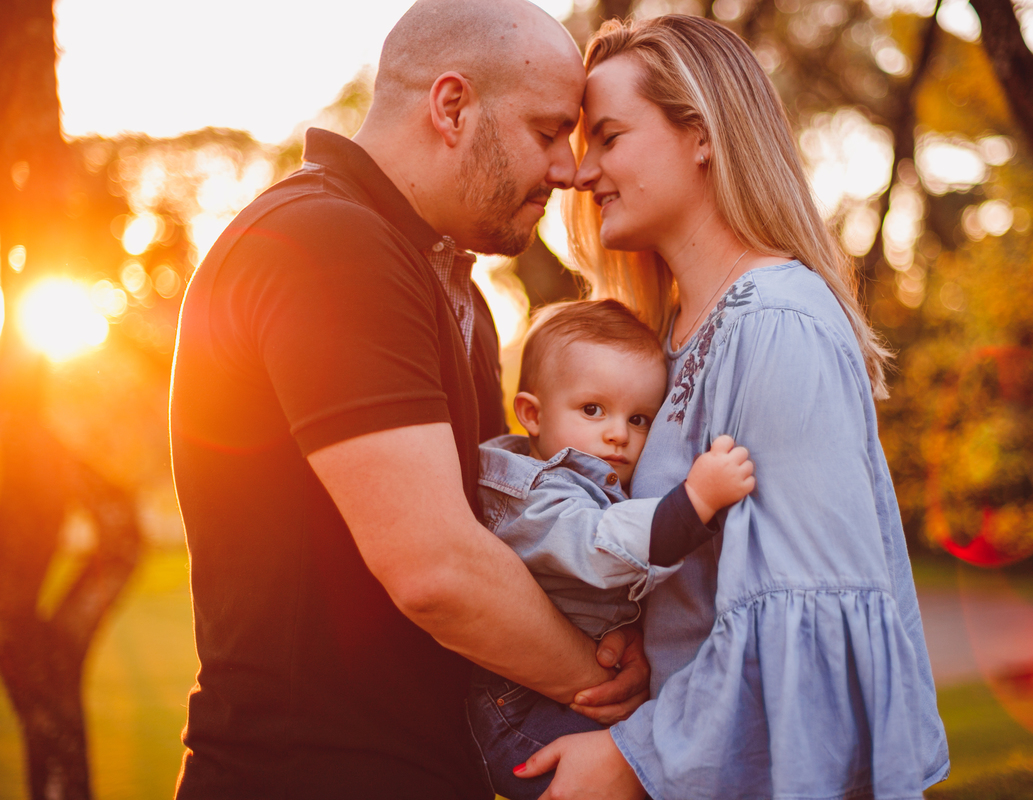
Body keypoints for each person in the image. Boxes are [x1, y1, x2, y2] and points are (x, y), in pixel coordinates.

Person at [168, 2, 649, 797]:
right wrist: (608, 691)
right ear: (452, 106)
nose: (568, 171)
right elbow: (437, 568)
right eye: (546, 131)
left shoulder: (442, 279)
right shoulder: (327, 244)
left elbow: (504, 530)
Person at [516, 15, 951, 800]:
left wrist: (631, 760)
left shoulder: (778, 324)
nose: (581, 174)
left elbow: (803, 623)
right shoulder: (668, 341)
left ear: (701, 135)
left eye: (608, 136)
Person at [466, 299, 755, 799]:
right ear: (532, 414)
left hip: (566, 689)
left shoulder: (588, 480)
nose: (618, 433)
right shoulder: (533, 496)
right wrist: (695, 503)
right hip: (517, 706)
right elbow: (597, 546)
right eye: (593, 409)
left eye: (640, 418)